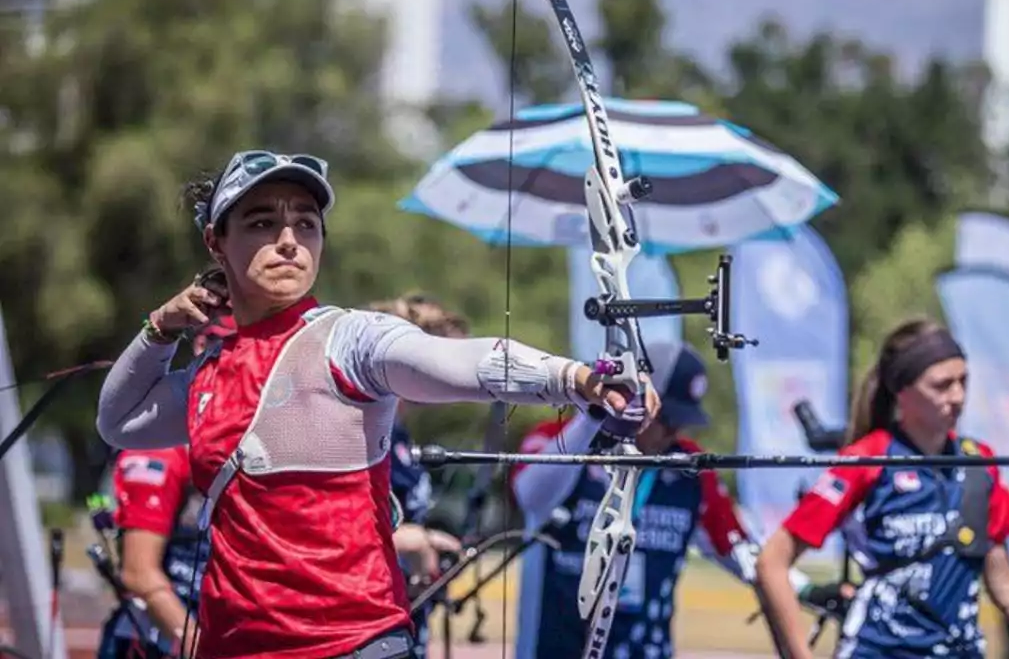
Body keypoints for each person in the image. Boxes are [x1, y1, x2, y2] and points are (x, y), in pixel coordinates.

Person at [95, 150, 660, 659]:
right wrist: (158, 330)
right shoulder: (210, 372)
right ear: (216, 242)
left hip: (354, 645)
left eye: (306, 224)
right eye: (263, 223)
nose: (289, 240)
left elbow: (461, 362)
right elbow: (118, 422)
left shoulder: (351, 338)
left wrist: (577, 377)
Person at [754, 318, 1009, 659]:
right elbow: (772, 562)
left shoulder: (978, 462)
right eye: (941, 386)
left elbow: (1008, 588)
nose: (958, 397)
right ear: (902, 392)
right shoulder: (867, 459)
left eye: (963, 382)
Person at [509, 341, 813, 659]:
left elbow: (742, 553)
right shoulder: (557, 439)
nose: (673, 431)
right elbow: (530, 495)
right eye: (665, 417)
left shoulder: (689, 468)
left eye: (681, 421)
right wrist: (594, 412)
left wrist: (806, 589)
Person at [96, 317, 234, 659]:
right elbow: (138, 572)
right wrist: (199, 646)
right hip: (159, 639)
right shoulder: (158, 448)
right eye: (225, 345)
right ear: (200, 346)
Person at [365, 294, 470, 658]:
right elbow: (330, 529)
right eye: (446, 363)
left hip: (401, 616)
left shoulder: (402, 434)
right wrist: (415, 541)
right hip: (365, 627)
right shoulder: (365, 431)